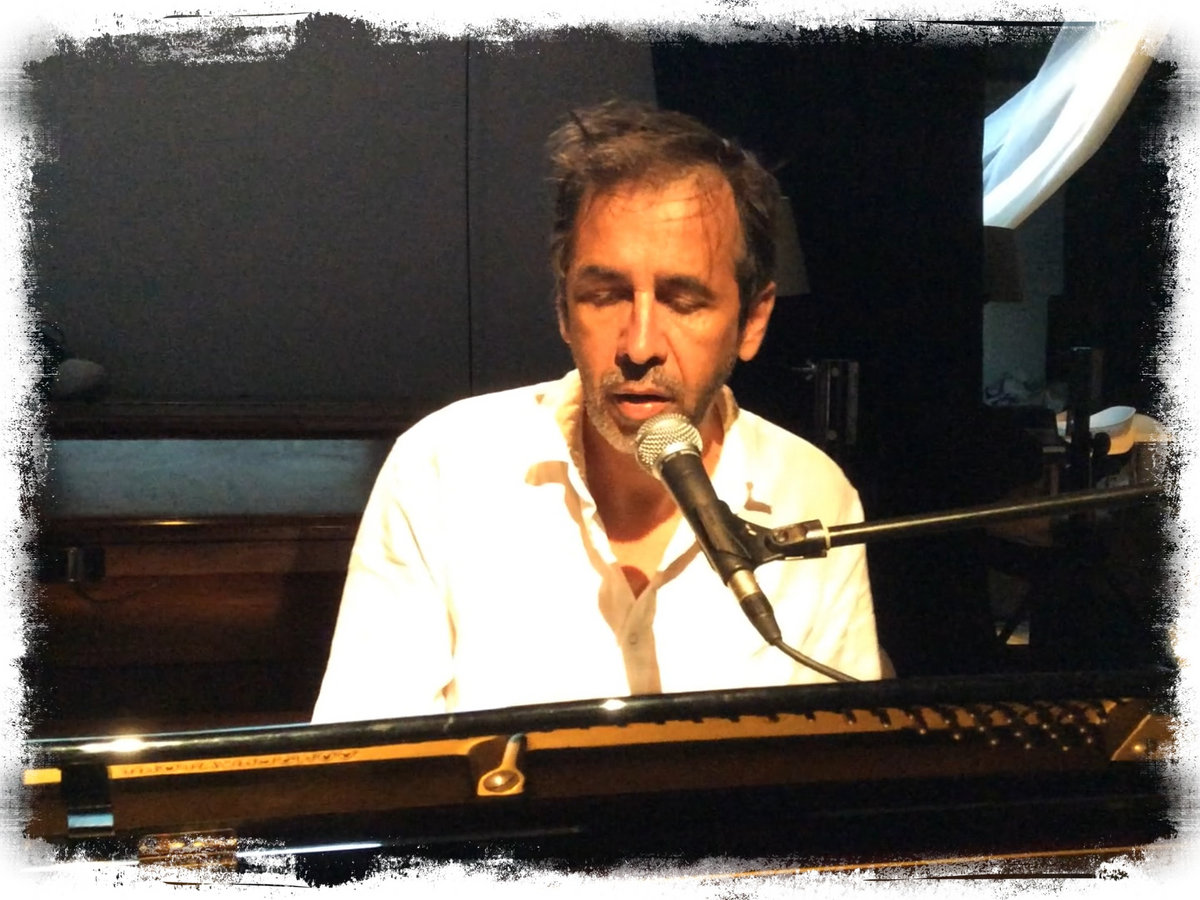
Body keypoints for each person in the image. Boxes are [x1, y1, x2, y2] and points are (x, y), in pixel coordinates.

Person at [312, 100, 882, 723]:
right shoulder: (443, 467)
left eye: (683, 301)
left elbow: (841, 758)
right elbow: (364, 754)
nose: (639, 345)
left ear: (753, 321)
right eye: (605, 295)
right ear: (563, 309)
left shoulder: (813, 493)